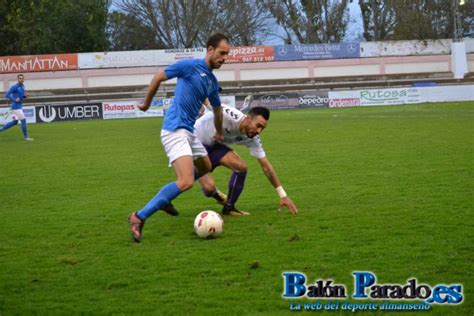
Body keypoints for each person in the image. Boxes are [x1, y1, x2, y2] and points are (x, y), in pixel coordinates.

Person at [128, 33, 230, 243]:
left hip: (189, 132)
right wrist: (146, 104)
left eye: (227, 55)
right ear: (209, 50)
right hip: (174, 129)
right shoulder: (189, 66)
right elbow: (159, 76)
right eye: (221, 53)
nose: (224, 58)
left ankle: (166, 198)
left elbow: (218, 110)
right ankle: (139, 217)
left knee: (205, 166)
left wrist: (219, 132)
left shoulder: (211, 81)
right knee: (186, 182)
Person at [195, 105, 298, 215]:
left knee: (241, 167)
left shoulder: (253, 138)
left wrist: (283, 195)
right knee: (207, 188)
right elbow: (210, 100)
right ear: (249, 119)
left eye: (262, 128)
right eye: (258, 125)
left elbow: (266, 167)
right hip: (195, 143)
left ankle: (229, 208)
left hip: (215, 146)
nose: (259, 131)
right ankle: (216, 194)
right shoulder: (231, 115)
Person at [1, 74, 33, 140]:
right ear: (18, 79)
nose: (21, 79)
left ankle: (1, 129)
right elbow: (7, 95)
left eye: (22, 78)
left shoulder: (23, 86)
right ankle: (26, 137)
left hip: (17, 107)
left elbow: (21, 96)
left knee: (14, 122)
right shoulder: (14, 86)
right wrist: (14, 99)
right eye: (20, 78)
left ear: (23, 79)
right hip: (16, 107)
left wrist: (25, 96)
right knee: (23, 121)